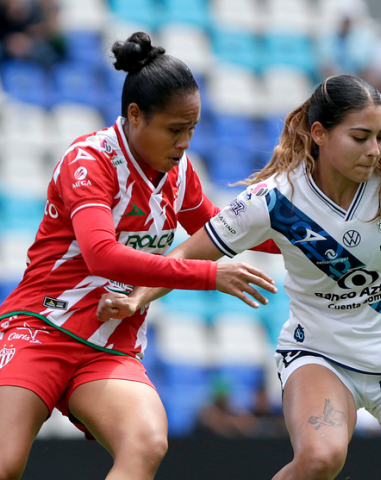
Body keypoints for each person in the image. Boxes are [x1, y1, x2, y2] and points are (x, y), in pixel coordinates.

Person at [98, 74, 381, 479]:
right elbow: (188, 253)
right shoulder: (274, 199)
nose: (375, 150)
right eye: (360, 136)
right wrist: (138, 297)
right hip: (323, 358)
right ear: (319, 133)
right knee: (320, 458)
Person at [0, 31, 279, 480]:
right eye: (174, 129)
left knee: (146, 442)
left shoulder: (179, 172)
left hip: (109, 346)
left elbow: (222, 231)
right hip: (40, 329)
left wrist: (308, 232)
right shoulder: (89, 162)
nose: (186, 142)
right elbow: (102, 256)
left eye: (192, 129)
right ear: (134, 115)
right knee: (4, 464)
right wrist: (208, 275)